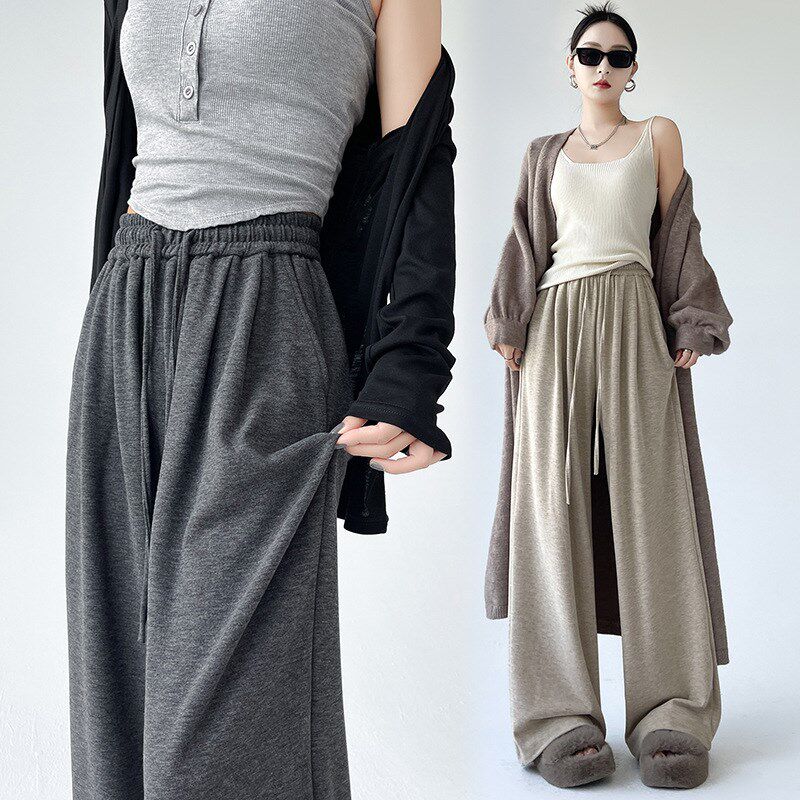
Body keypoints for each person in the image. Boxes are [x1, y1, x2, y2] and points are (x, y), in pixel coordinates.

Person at [65, 2, 455, 799]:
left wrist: (411, 365)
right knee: (116, 700)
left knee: (227, 726)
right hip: (125, 308)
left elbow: (418, 159)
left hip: (266, 315)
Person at [483, 1, 733, 790]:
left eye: (617, 55)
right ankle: (558, 719)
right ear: (570, 66)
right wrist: (509, 322)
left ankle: (672, 714)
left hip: (631, 314)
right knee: (549, 515)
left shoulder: (658, 135)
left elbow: (679, 233)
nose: (602, 66)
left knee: (656, 511)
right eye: (589, 53)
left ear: (633, 70)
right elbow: (525, 241)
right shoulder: (542, 154)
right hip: (554, 327)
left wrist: (691, 318)